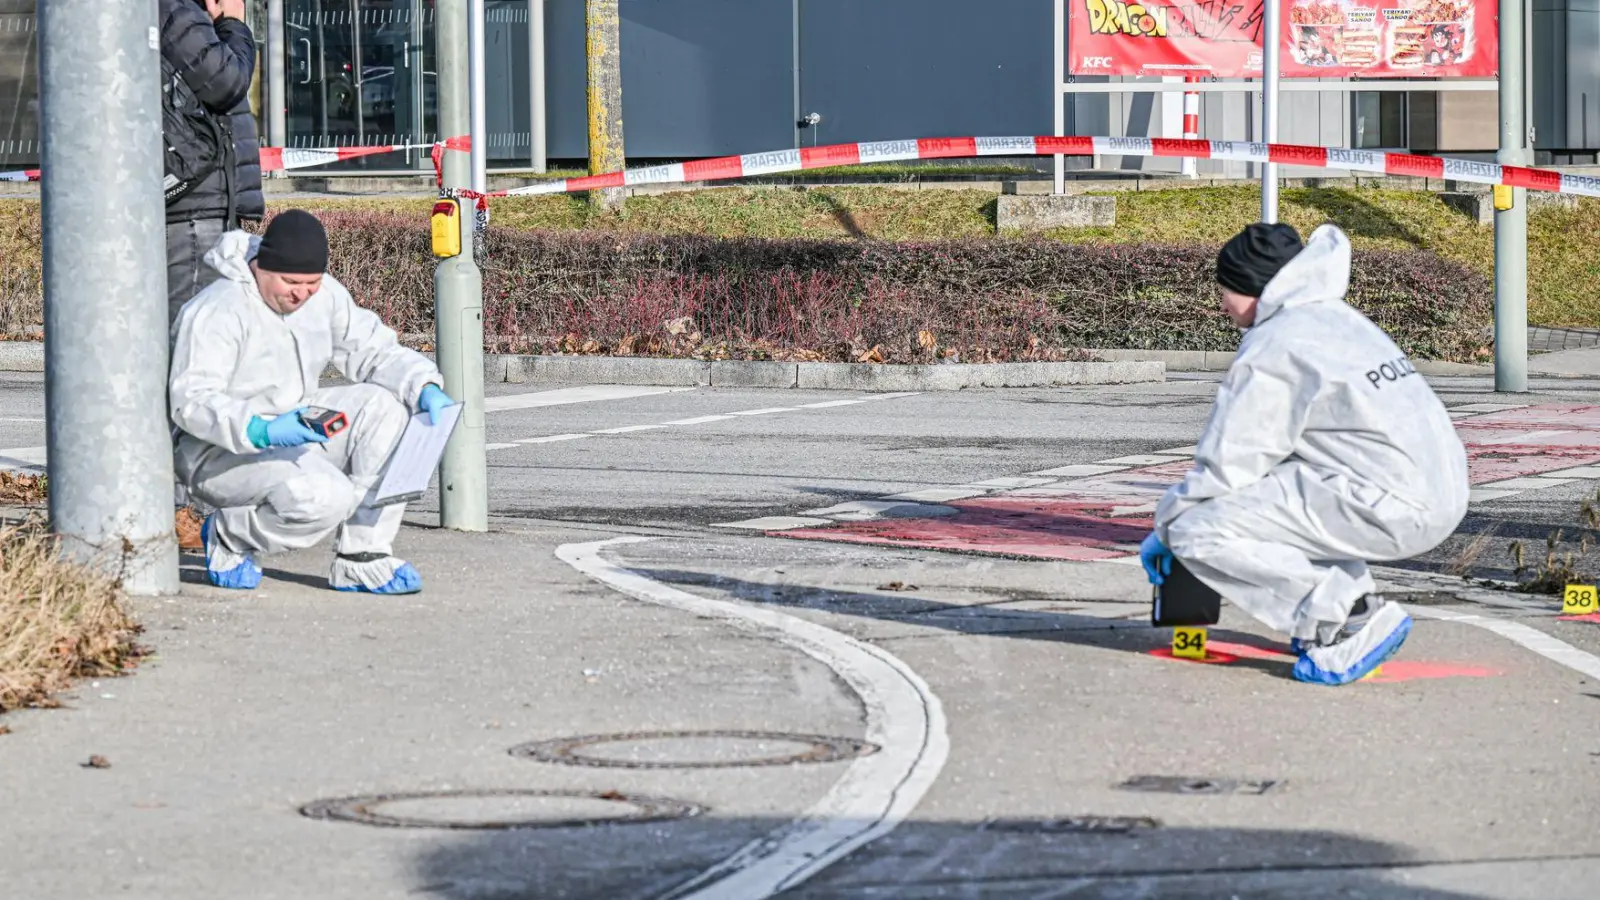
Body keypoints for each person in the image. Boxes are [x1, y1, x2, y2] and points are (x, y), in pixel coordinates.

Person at [1138, 223, 1469, 685]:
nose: (1222, 305)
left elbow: (1231, 460)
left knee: (1199, 530)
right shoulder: (1335, 318)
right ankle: (1341, 609)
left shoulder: (1276, 345)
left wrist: (1169, 524)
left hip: (1391, 503)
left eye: (1226, 291)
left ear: (1255, 287)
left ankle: (1351, 616)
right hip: (1434, 490)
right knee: (1277, 499)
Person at [169, 210, 456, 594]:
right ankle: (229, 535)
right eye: (290, 281)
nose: (300, 293)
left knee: (385, 408)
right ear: (260, 268)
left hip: (294, 426)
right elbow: (191, 400)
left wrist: (423, 385)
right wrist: (259, 428)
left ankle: (362, 555)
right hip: (216, 451)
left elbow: (373, 350)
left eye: (311, 283)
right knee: (325, 497)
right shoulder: (217, 310)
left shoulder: (325, 296)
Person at [161, 0, 265, 325]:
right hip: (193, 206)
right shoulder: (174, 11)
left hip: (196, 200)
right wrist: (233, 23)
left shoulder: (181, 13)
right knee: (192, 339)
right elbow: (226, 81)